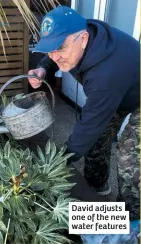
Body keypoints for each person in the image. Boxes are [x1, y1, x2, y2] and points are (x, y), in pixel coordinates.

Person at [28, 6, 140, 220]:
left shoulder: (106, 75)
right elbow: (55, 52)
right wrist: (44, 68)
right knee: (98, 141)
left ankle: (132, 221)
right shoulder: (78, 30)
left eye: (60, 48)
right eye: (50, 48)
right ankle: (96, 187)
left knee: (130, 158)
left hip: (135, 91)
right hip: (118, 88)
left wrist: (56, 163)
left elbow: (88, 127)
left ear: (84, 39)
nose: (55, 56)